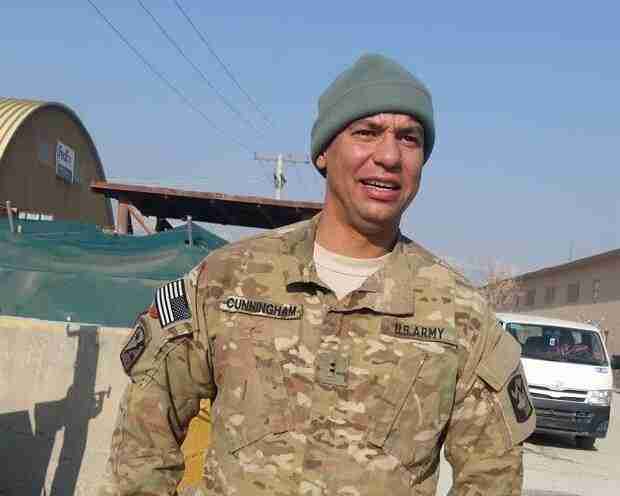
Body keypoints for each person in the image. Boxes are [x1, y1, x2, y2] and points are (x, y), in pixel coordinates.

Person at [99, 53, 536, 495]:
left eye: (409, 139)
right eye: (366, 132)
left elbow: (493, 475)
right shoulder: (226, 280)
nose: (389, 156)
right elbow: (143, 438)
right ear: (324, 152)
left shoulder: (460, 315)